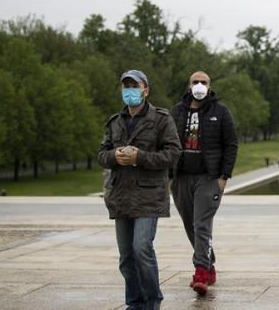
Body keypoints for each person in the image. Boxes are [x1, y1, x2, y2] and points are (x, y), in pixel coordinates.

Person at [98, 70, 181, 310]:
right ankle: (134, 303)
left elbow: (173, 153)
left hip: (148, 195)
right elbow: (102, 155)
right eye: (126, 86)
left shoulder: (161, 119)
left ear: (146, 90)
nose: (130, 91)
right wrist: (114, 155)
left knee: (141, 248)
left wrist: (139, 157)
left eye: (135, 86)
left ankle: (152, 302)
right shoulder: (115, 122)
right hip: (121, 196)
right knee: (126, 257)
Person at [170, 71, 239, 295]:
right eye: (195, 82)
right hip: (182, 178)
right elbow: (169, 143)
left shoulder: (221, 111)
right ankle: (209, 264)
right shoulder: (177, 111)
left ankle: (200, 271)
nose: (199, 85)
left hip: (208, 178)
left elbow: (231, 145)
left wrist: (223, 178)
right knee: (190, 224)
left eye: (204, 82)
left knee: (202, 224)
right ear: (188, 86)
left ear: (209, 86)